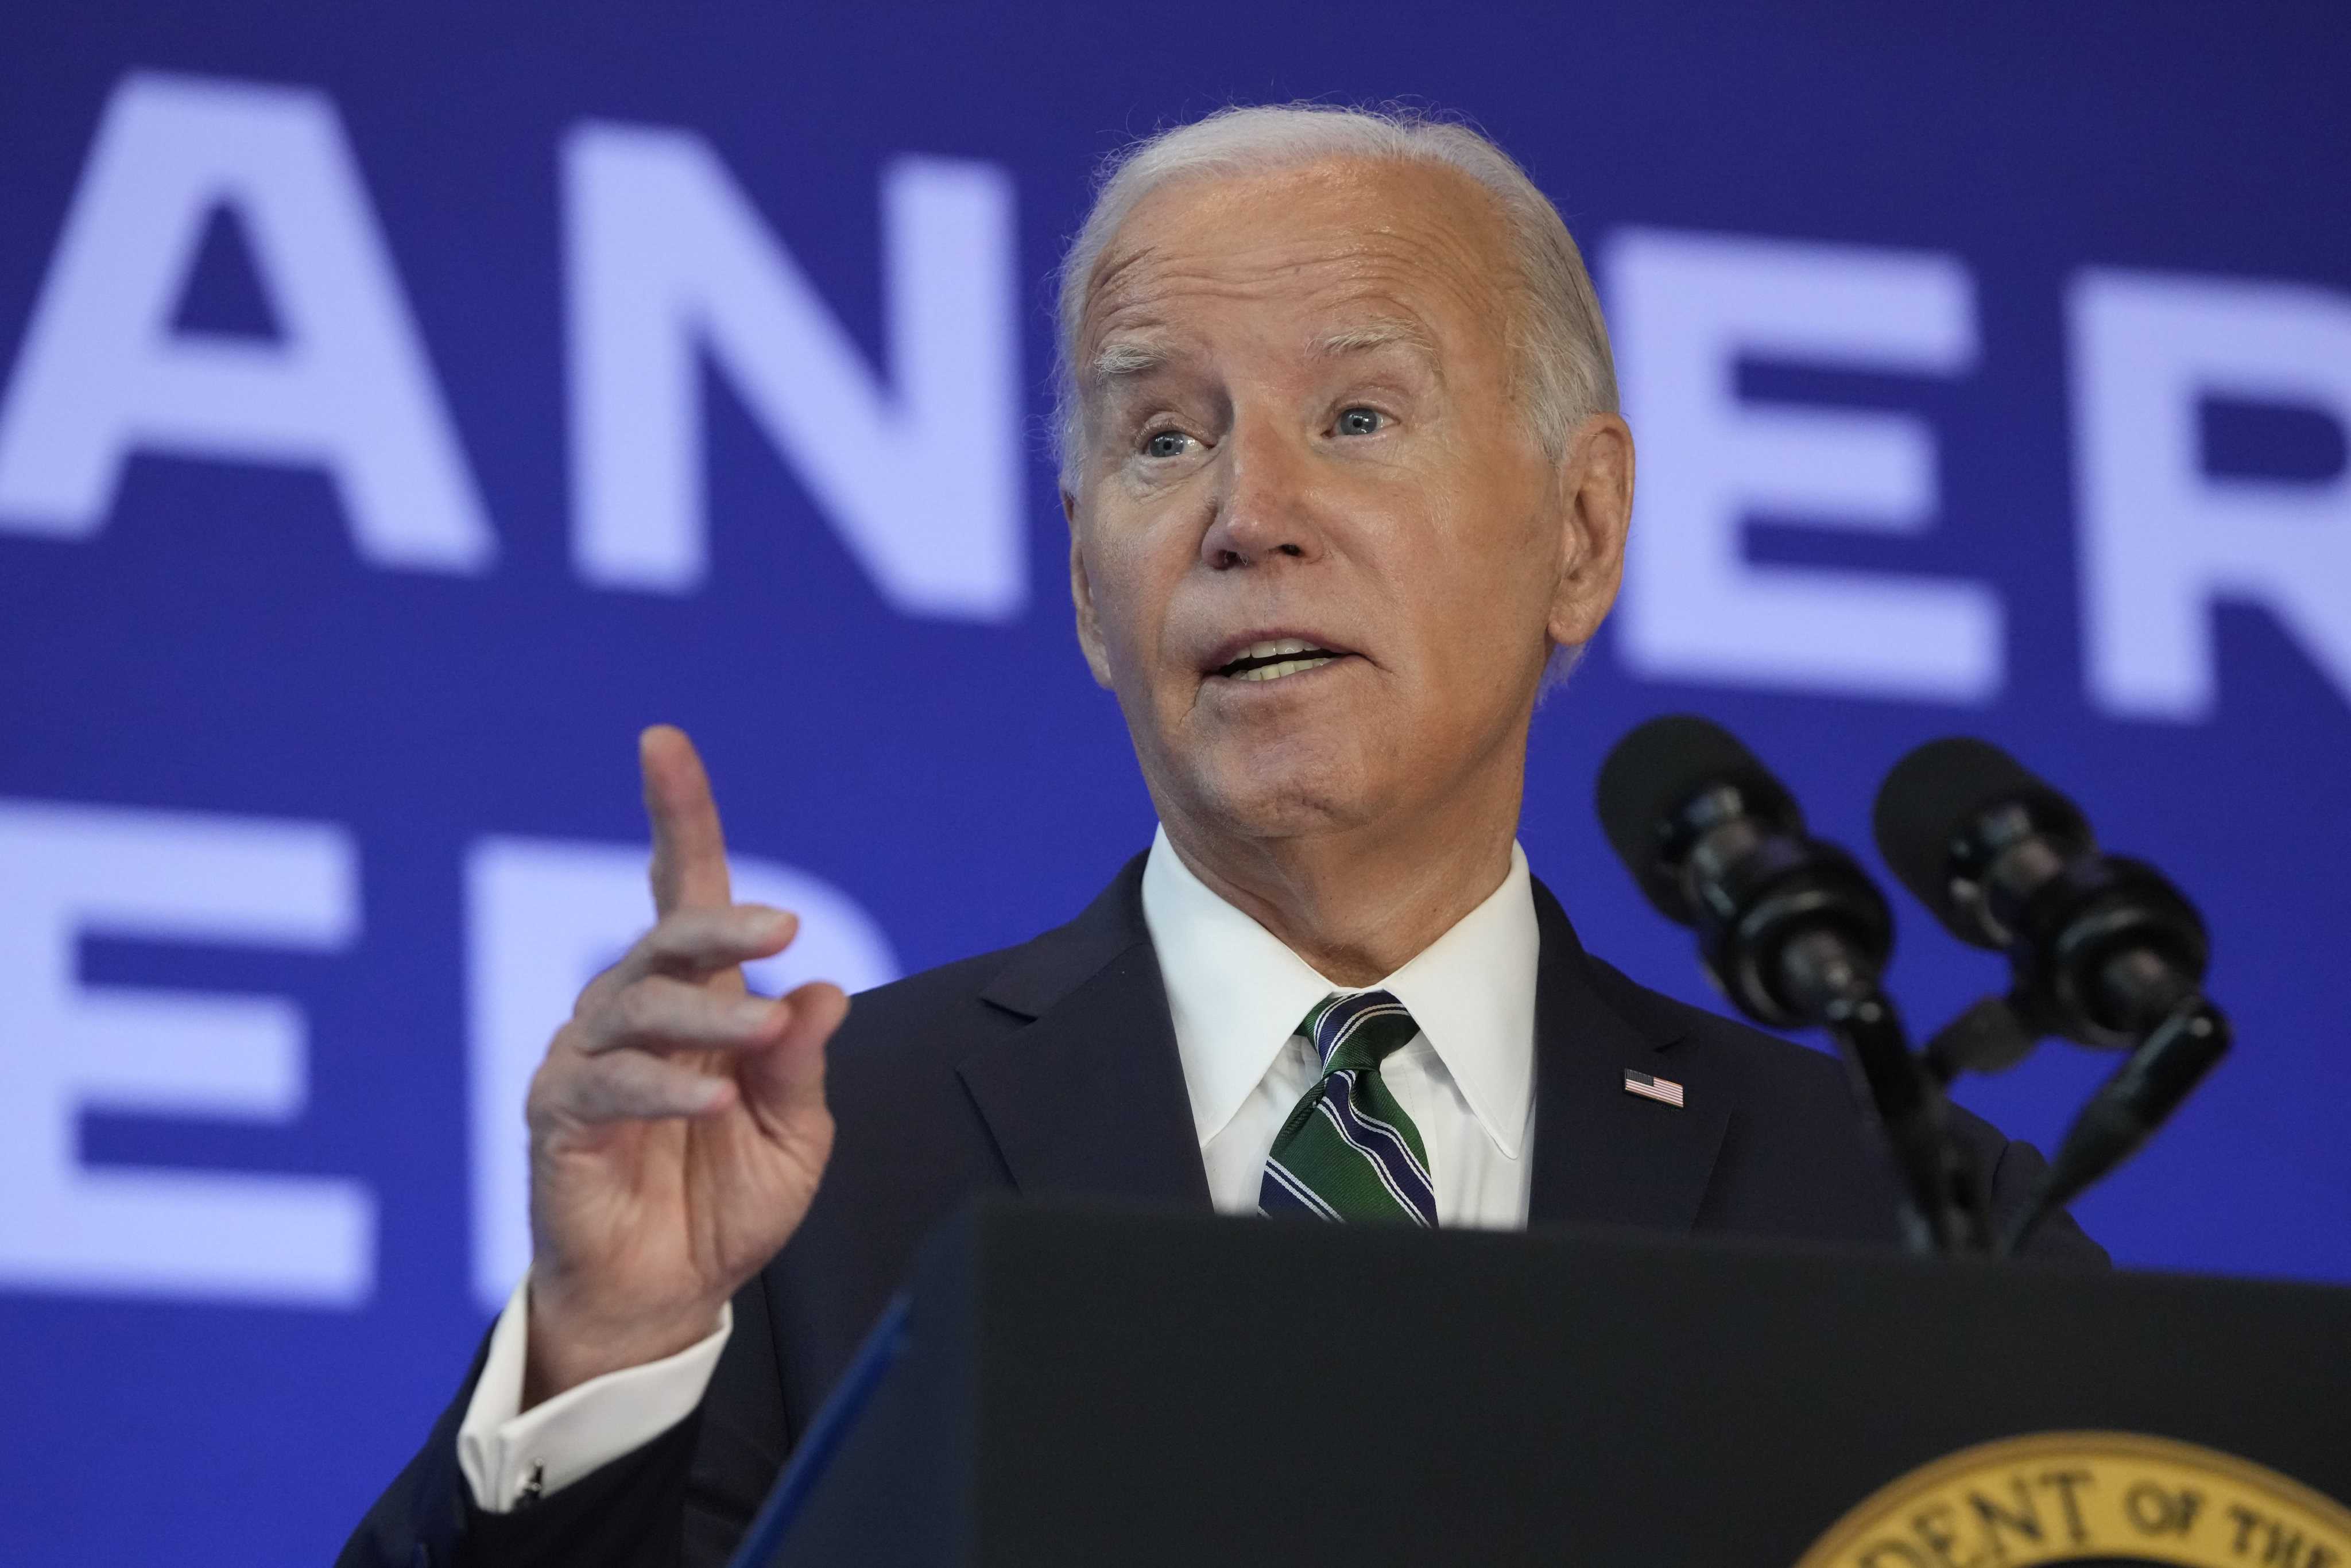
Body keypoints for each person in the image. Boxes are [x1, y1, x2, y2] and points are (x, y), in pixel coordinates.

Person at [342, 102, 2101, 1568]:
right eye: (1165, 436)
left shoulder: (1903, 1221)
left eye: (1356, 417)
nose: (1252, 514)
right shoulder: (818, 1167)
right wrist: (617, 1353)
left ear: (1580, 530)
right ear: (1092, 583)